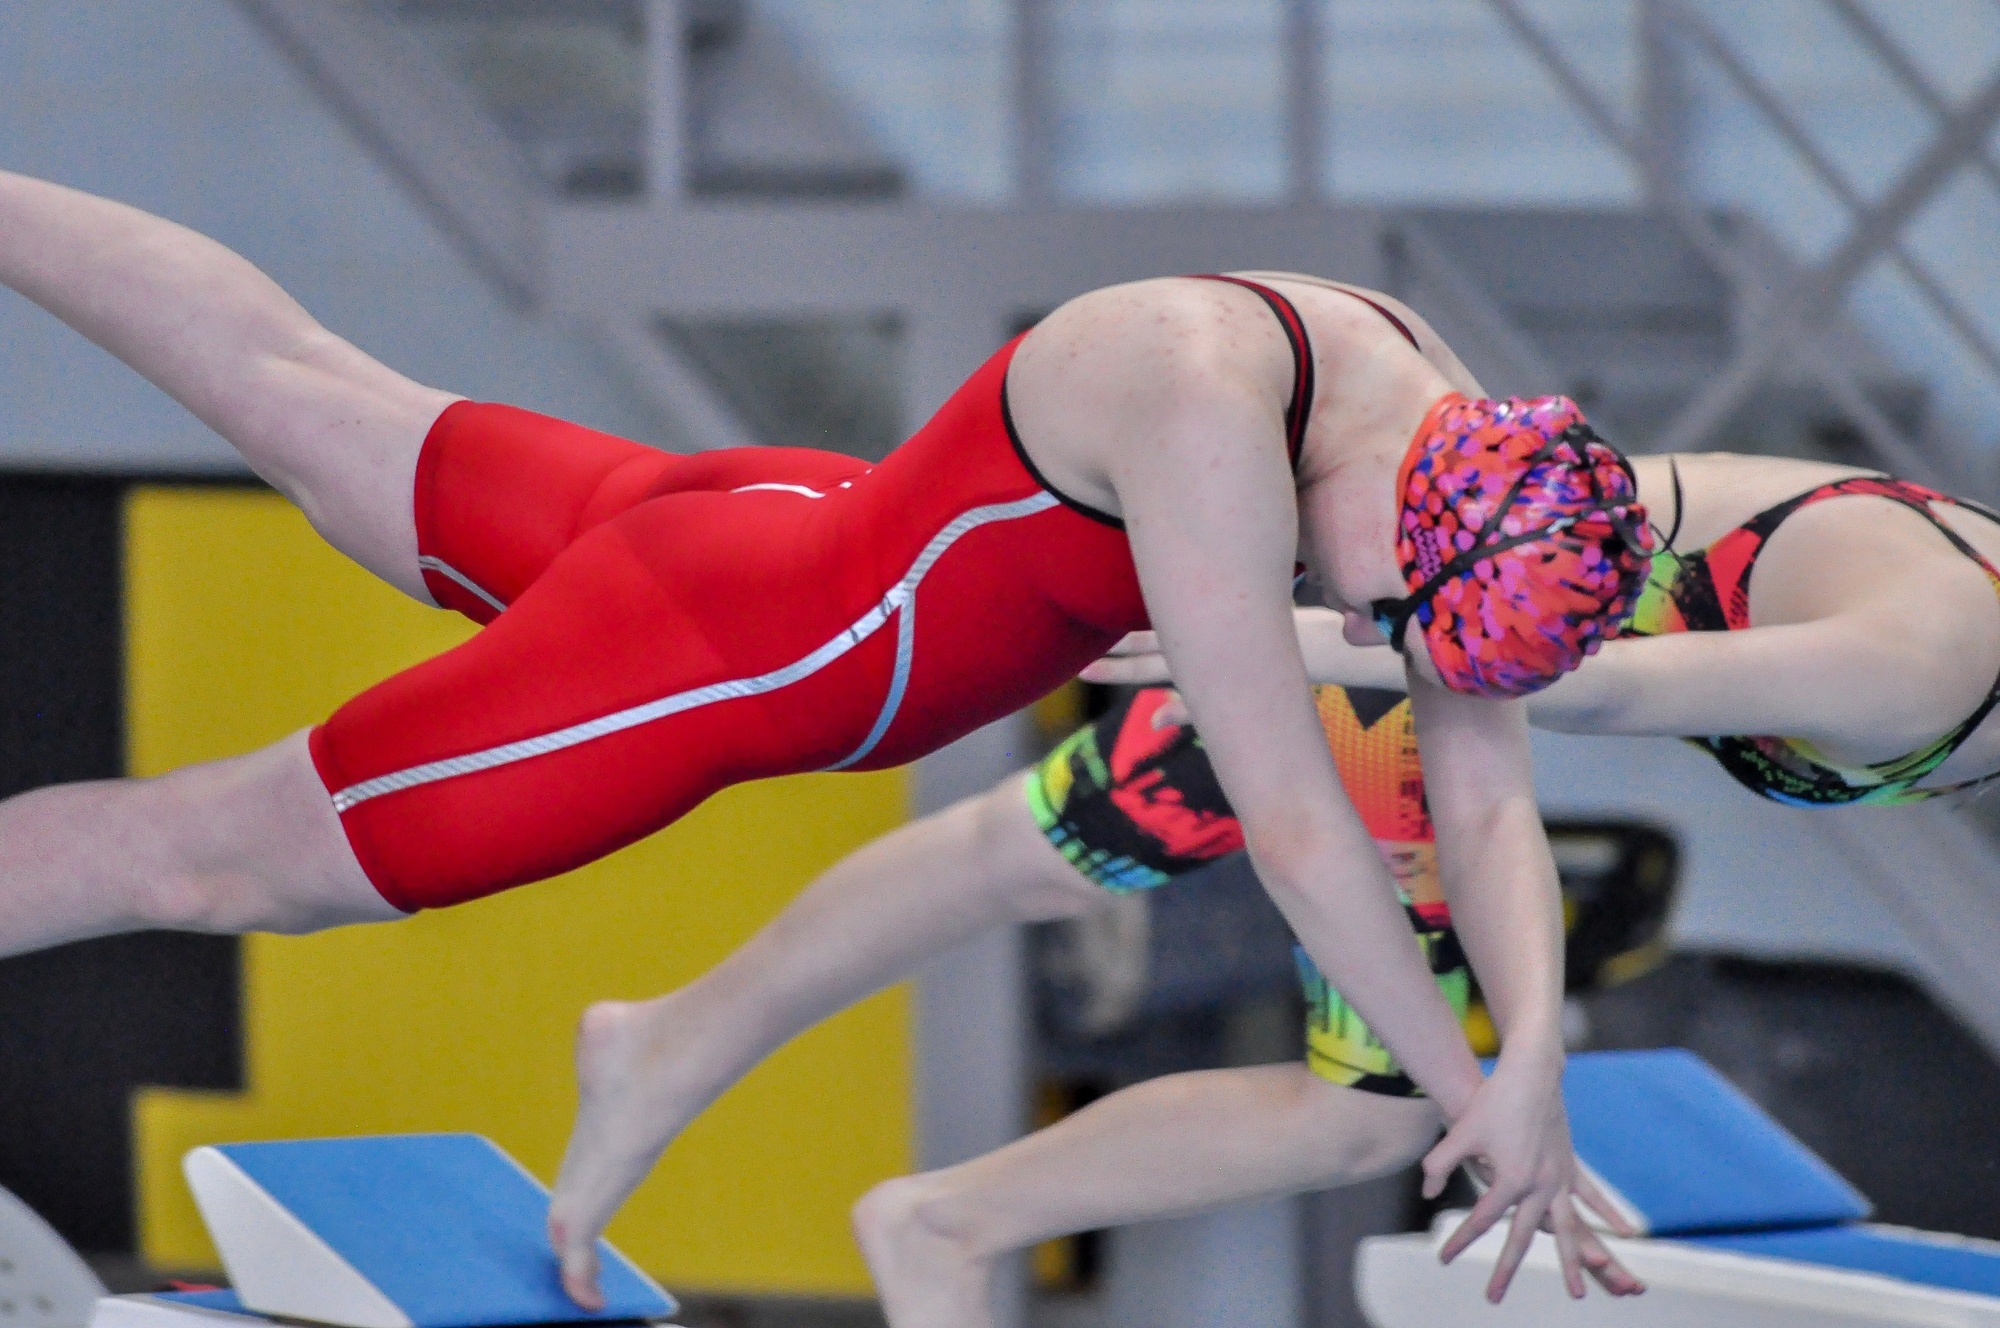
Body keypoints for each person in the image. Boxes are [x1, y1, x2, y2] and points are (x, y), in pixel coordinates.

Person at [0, 171, 1649, 1304]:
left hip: (770, 526)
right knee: (210, 862)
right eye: (1382, 610)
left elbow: (1478, 775)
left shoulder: (1439, 415)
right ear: (1414, 513)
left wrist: (1532, 1066)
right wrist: (1460, 1091)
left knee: (300, 386)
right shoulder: (1200, 406)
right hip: (713, 656)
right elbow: (1300, 830)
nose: (1366, 639)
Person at [545, 449, 2000, 1324]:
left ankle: (677, 1033)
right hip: (1420, 673)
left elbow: (1616, 508)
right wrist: (1291, 643)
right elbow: (1587, 687)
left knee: (1038, 852)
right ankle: (947, 1219)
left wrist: (1336, 608)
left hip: (1424, 599)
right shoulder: (1931, 660)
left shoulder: (1971, 546)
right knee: (1367, 1117)